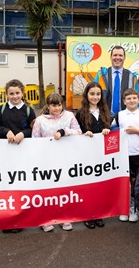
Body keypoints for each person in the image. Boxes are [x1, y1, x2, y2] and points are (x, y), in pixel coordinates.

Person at [0, 79, 36, 233]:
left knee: (21, 187)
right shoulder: (1, 110)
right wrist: (6, 132)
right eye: (11, 93)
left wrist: (23, 133)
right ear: (7, 94)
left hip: (23, 156)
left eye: (17, 93)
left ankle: (19, 220)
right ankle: (6, 218)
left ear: (22, 93)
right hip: (5, 156)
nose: (15, 96)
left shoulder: (29, 111)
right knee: (6, 187)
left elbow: (35, 130)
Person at [32, 93, 82, 232]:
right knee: (47, 190)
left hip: (65, 159)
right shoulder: (40, 120)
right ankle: (45, 219)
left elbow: (79, 132)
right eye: (54, 105)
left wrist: (64, 131)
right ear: (48, 106)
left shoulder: (70, 116)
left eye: (59, 104)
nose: (57, 108)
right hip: (46, 161)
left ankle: (64, 216)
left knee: (64, 188)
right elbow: (34, 140)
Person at [111, 88, 139, 223]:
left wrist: (136, 131)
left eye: (134, 98)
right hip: (122, 154)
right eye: (128, 98)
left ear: (138, 100)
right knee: (124, 182)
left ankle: (133, 208)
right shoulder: (119, 115)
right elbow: (112, 130)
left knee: (136, 182)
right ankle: (124, 208)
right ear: (124, 101)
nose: (131, 100)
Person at [75, 82, 111, 229]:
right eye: (92, 94)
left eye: (98, 94)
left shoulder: (105, 111)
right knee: (88, 186)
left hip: (102, 156)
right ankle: (88, 214)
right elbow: (76, 132)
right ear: (86, 95)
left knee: (100, 186)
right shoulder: (80, 113)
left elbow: (110, 127)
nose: (95, 97)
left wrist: (107, 130)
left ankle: (99, 213)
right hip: (86, 155)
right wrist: (84, 133)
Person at [95, 45, 139, 115]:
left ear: (124, 58)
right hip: (104, 117)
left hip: (126, 118)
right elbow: (93, 96)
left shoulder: (132, 77)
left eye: (120, 55)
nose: (118, 58)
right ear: (111, 57)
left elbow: (137, 99)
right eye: (115, 55)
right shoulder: (101, 75)